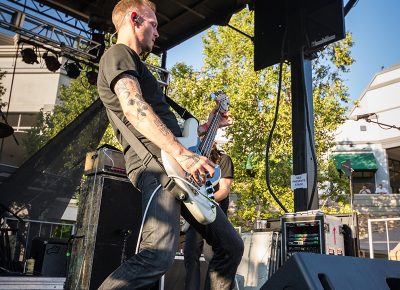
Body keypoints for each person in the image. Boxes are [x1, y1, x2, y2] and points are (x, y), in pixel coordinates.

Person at [96, 0, 244, 289]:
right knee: (157, 257)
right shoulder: (118, 54)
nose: (158, 33)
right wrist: (182, 155)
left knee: (231, 246)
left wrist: (205, 127)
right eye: (154, 24)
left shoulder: (139, 66)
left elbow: (174, 134)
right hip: (158, 167)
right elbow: (132, 105)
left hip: (178, 168)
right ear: (134, 19)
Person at [184, 145, 234, 290]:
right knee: (190, 256)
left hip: (215, 215)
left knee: (213, 257)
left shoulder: (223, 159)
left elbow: (224, 190)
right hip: (196, 216)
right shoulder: (193, 160)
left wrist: (203, 200)